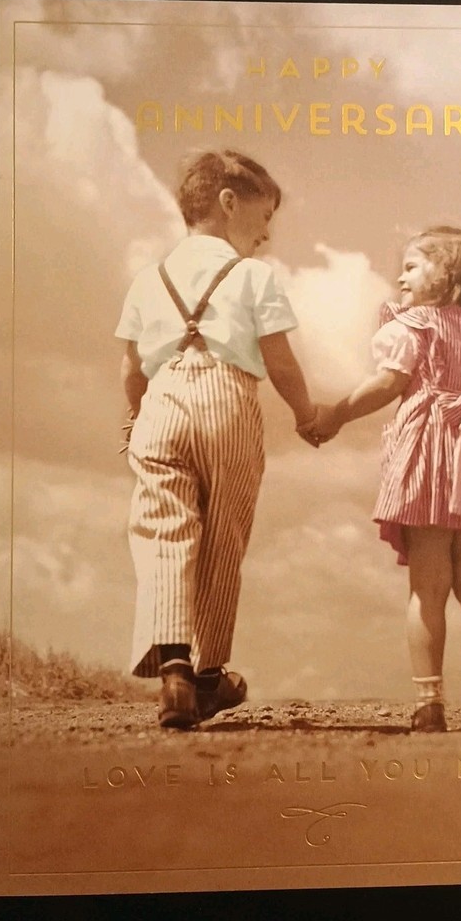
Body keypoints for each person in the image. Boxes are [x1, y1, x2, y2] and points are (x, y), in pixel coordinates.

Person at [306, 226, 461, 732]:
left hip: (428, 464)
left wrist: (337, 414)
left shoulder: (415, 325)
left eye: (411, 267)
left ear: (446, 276)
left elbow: (387, 383)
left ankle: (429, 705)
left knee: (428, 588)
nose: (400, 277)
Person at [115, 149, 319, 729]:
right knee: (222, 535)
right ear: (229, 203)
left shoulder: (148, 279)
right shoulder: (254, 276)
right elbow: (280, 361)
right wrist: (306, 415)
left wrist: (137, 418)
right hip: (228, 401)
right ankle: (207, 675)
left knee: (164, 529)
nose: (267, 234)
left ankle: (175, 666)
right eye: (265, 217)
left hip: (161, 401)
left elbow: (131, 368)